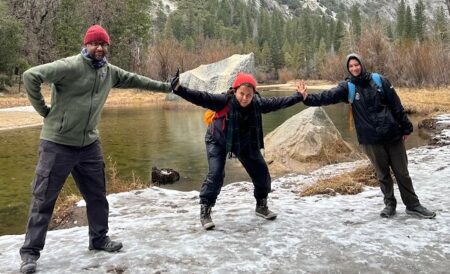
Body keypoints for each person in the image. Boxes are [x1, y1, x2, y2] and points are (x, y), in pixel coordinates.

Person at [19, 24, 171, 273]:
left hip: (89, 144)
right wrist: (44, 111)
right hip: (57, 143)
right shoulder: (69, 66)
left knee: (97, 196)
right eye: (94, 44)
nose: (99, 48)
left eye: (103, 44)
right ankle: (30, 254)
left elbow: (137, 80)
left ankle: (99, 239)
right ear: (86, 44)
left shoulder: (108, 72)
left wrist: (167, 87)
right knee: (44, 197)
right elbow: (30, 76)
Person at [296, 53, 436, 220]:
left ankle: (413, 205)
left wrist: (406, 127)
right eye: (351, 66)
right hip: (371, 140)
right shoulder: (348, 87)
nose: (354, 68)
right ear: (348, 69)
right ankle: (390, 205)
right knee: (382, 174)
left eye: (356, 65)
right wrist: (307, 98)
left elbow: (396, 104)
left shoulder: (379, 81)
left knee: (402, 173)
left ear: (362, 64)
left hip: (392, 135)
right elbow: (328, 96)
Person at [170, 70, 305, 230]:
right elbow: (201, 97)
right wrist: (179, 89)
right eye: (242, 93)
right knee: (216, 174)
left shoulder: (257, 103)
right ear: (235, 91)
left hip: (243, 143)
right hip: (217, 140)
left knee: (261, 171)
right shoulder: (223, 101)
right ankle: (205, 211)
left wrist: (298, 97)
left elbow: (278, 102)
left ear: (254, 94)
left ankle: (261, 206)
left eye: (249, 95)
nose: (245, 98)